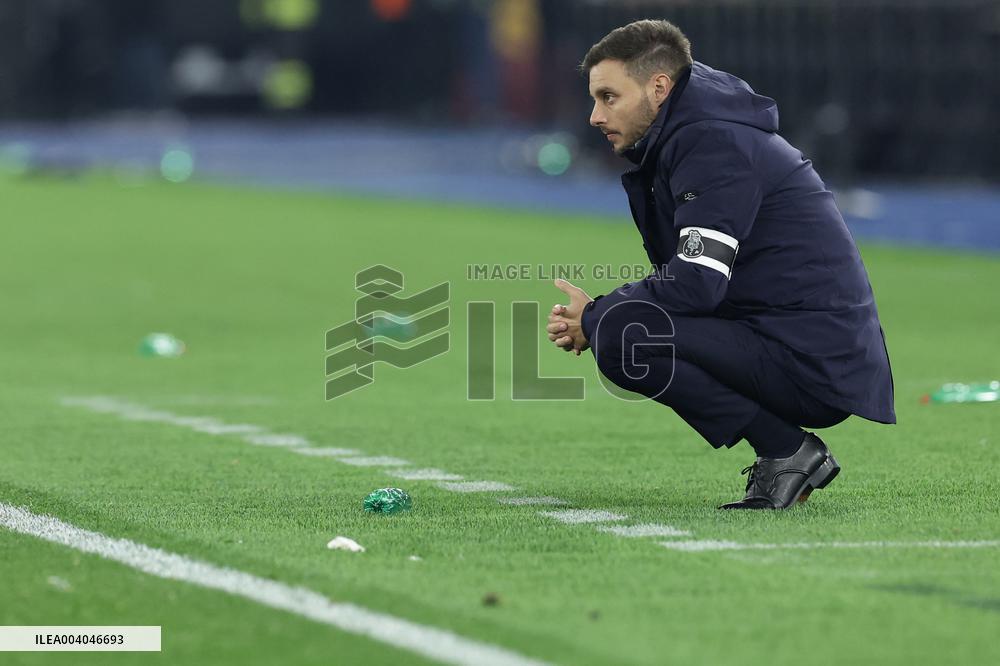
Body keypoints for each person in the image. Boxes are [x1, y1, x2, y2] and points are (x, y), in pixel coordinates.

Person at [545, 19, 895, 510]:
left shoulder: (712, 143)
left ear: (659, 87)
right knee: (621, 325)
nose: (594, 116)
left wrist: (598, 312)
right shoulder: (694, 133)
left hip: (812, 358)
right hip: (792, 338)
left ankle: (787, 451)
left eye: (609, 97)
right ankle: (785, 451)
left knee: (625, 332)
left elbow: (696, 283)